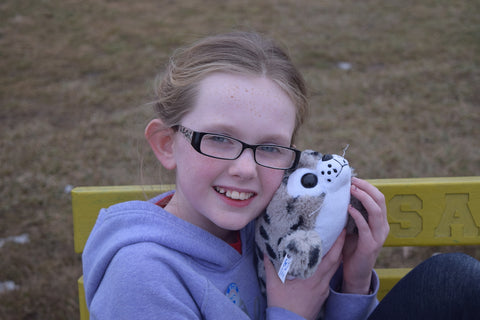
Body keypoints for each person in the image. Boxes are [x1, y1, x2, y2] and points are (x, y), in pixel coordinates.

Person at [82, 31, 480, 320]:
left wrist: (352, 282)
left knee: (452, 281)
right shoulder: (141, 277)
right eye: (220, 139)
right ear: (167, 144)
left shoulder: (272, 227)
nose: (245, 169)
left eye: (270, 148)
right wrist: (290, 314)